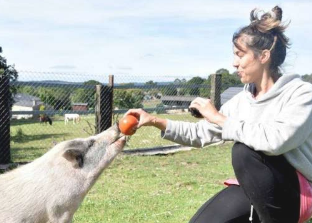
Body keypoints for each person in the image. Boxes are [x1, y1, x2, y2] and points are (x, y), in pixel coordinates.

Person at [125, 6, 312, 223]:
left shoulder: (301, 94)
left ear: (264, 56)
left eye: (240, 55)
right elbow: (201, 132)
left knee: (243, 153)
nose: (234, 63)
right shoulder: (242, 101)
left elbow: (277, 141)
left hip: (299, 192)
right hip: (257, 187)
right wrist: (155, 120)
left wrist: (219, 118)